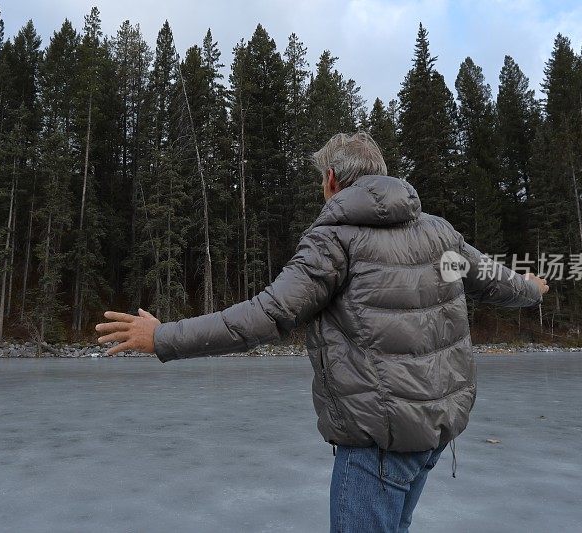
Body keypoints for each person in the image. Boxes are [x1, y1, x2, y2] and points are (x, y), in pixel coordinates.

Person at [96, 132, 549, 532]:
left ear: (332, 180)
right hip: (433, 435)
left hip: (378, 446)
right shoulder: (440, 235)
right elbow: (497, 281)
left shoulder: (335, 241)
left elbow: (266, 314)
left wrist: (162, 337)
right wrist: (531, 288)